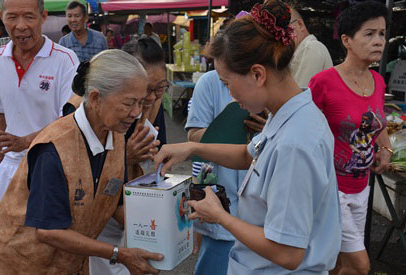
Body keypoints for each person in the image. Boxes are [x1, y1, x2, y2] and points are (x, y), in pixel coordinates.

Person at [154, 1, 342, 274]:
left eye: (228, 83)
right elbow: (248, 155)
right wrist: (192, 147)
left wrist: (219, 216)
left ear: (257, 74)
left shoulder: (295, 144)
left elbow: (287, 253)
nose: (230, 95)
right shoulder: (286, 115)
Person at [0, 49, 163, 275]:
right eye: (128, 103)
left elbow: (115, 202)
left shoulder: (116, 135)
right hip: (19, 264)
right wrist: (119, 253)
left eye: (141, 103)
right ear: (95, 98)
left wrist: (160, 232)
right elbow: (49, 231)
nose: (135, 113)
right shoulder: (54, 148)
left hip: (65, 264)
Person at [308, 2, 391, 274]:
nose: (378, 41)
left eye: (382, 33)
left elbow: (378, 122)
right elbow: (305, 128)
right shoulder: (324, 81)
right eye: (369, 34)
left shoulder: (378, 81)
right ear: (347, 41)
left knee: (336, 263)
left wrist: (386, 148)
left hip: (361, 187)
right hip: (331, 189)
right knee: (359, 265)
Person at [0, 0, 79, 213]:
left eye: (29, 17)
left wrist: (26, 141)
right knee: (5, 238)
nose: (21, 26)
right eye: (12, 17)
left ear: (43, 17)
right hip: (9, 168)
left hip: (51, 166)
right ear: (1, 16)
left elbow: (69, 121)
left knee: (44, 239)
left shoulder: (65, 60)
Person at [88, 36, 168, 275]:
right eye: (147, 90)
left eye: (160, 88)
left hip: (131, 208)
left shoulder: (150, 105)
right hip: (101, 215)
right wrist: (126, 157)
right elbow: (87, 168)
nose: (152, 98)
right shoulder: (102, 111)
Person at [186, 69, 266, 275]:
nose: (228, 84)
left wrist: (268, 129)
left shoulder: (264, 81)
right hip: (221, 193)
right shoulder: (209, 83)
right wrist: (234, 130)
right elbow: (194, 137)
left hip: (259, 203)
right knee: (217, 257)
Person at [289, 7, 332, 87]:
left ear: (300, 25)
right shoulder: (302, 49)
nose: (280, 35)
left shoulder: (311, 48)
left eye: (284, 29)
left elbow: (299, 95)